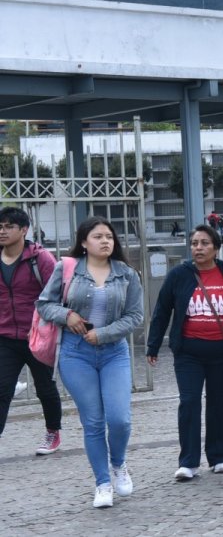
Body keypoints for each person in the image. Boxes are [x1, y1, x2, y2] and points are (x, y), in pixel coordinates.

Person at [35, 217, 143, 509]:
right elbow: (44, 303)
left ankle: (118, 464)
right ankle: (102, 483)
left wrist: (104, 333)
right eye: (98, 236)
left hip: (114, 353)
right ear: (84, 242)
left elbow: (135, 316)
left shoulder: (127, 274)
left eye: (109, 236)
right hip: (75, 353)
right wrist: (66, 315)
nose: (105, 241)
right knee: (93, 422)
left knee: (119, 419)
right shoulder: (66, 268)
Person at [147, 225, 223, 481]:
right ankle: (188, 461)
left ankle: (219, 456)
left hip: (222, 353)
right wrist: (153, 345)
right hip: (188, 353)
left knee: (218, 403)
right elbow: (162, 310)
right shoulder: (179, 275)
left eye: (204, 243)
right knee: (189, 402)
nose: (198, 248)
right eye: (194, 243)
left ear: (215, 248)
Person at [0, 207, 62, 456]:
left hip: (37, 335)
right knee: (1, 389)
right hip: (5, 337)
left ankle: (53, 432)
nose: (2, 231)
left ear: (23, 230)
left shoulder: (41, 259)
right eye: (0, 226)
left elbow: (58, 292)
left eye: (8, 226)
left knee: (45, 387)